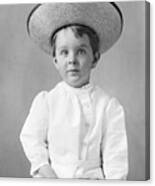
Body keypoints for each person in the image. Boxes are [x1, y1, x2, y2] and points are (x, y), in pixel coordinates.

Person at [20, 2, 128, 179]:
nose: (72, 60)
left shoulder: (108, 106)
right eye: (64, 52)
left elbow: (116, 159)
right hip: (52, 178)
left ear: (95, 58)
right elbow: (31, 139)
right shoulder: (47, 102)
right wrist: (48, 173)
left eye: (81, 51)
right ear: (55, 60)